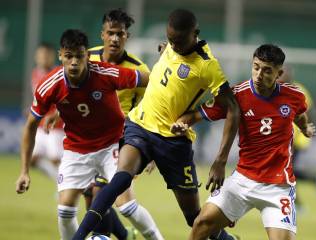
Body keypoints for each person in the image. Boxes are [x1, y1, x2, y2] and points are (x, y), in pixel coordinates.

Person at [72, 9, 240, 240]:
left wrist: (220, 160)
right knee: (120, 179)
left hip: (172, 142)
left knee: (193, 217)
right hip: (139, 124)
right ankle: (78, 237)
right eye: (171, 40)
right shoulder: (172, 45)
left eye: (179, 41)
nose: (174, 45)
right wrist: (167, 48)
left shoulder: (207, 66)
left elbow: (231, 108)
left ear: (195, 34)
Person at [15, 29, 151, 240]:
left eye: (79, 56)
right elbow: (31, 124)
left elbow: (151, 81)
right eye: (69, 56)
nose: (74, 62)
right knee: (70, 209)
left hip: (112, 143)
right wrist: (24, 171)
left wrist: (149, 128)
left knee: (123, 204)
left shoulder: (106, 72)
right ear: (61, 55)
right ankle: (121, 236)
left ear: (87, 55)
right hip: (78, 147)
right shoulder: (49, 83)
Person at [171, 44, 316, 240]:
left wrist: (304, 127)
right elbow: (197, 114)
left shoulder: (294, 96)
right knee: (202, 223)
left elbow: (299, 114)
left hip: (278, 187)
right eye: (256, 67)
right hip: (243, 180)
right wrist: (181, 124)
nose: (258, 74)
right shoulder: (237, 95)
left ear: (278, 73)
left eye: (267, 71)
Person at [84, 9, 163, 240]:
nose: (115, 38)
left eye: (120, 34)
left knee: (109, 197)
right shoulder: (88, 58)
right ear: (103, 35)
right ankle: (123, 235)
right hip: (91, 140)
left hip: (124, 140)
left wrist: (154, 149)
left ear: (127, 36)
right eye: (111, 33)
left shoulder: (139, 70)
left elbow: (158, 105)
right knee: (91, 196)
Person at [278, 65, 316, 211]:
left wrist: (304, 129)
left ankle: (297, 204)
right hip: (282, 138)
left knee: (286, 170)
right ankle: (314, 180)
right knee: (287, 170)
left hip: (296, 139)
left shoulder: (299, 91)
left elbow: (311, 113)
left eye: (284, 73)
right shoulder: (276, 90)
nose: (281, 76)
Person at [28, 43, 63, 180]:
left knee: (56, 159)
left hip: (56, 126)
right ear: (36, 56)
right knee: (32, 159)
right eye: (41, 55)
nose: (43, 58)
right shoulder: (35, 73)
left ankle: (65, 187)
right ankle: (59, 182)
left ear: (52, 57)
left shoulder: (59, 74)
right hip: (40, 125)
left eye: (46, 55)